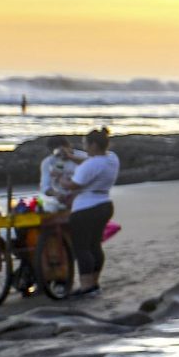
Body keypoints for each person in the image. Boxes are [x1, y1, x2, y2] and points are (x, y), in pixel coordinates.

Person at [66, 128, 119, 298]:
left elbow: (74, 185)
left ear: (94, 145)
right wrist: (72, 157)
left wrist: (60, 180)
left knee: (81, 248)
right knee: (95, 245)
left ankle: (86, 287)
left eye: (86, 144)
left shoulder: (90, 165)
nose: (85, 148)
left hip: (85, 209)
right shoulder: (112, 159)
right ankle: (94, 283)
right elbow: (90, 160)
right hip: (104, 204)